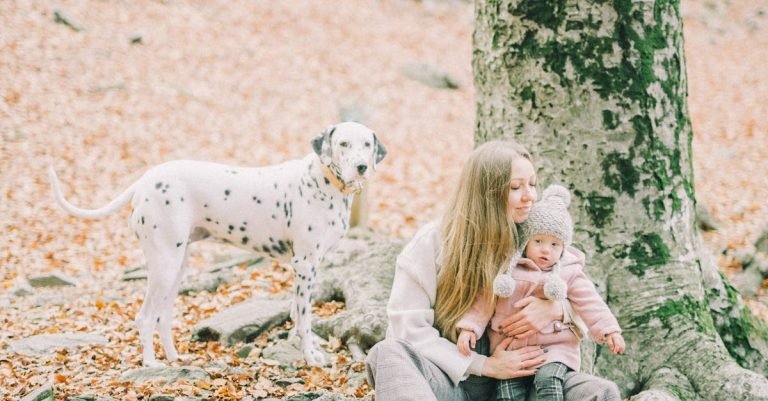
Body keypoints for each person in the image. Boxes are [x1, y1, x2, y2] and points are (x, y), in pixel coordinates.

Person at [365, 140, 621, 401]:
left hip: (528, 383)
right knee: (387, 353)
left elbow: (584, 297)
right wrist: (485, 366)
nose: (530, 196)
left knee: (601, 392)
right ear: (486, 193)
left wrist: (558, 309)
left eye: (532, 184)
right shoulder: (433, 243)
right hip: (450, 382)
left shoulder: (536, 240)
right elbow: (409, 331)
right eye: (516, 187)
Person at [456, 184, 624, 401]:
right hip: (511, 351)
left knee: (548, 380)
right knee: (507, 392)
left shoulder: (569, 272)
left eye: (555, 244)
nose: (546, 249)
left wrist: (610, 331)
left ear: (563, 248)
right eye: (538, 241)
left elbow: (590, 302)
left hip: (555, 349)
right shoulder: (506, 270)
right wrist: (470, 328)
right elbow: (483, 302)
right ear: (526, 241)